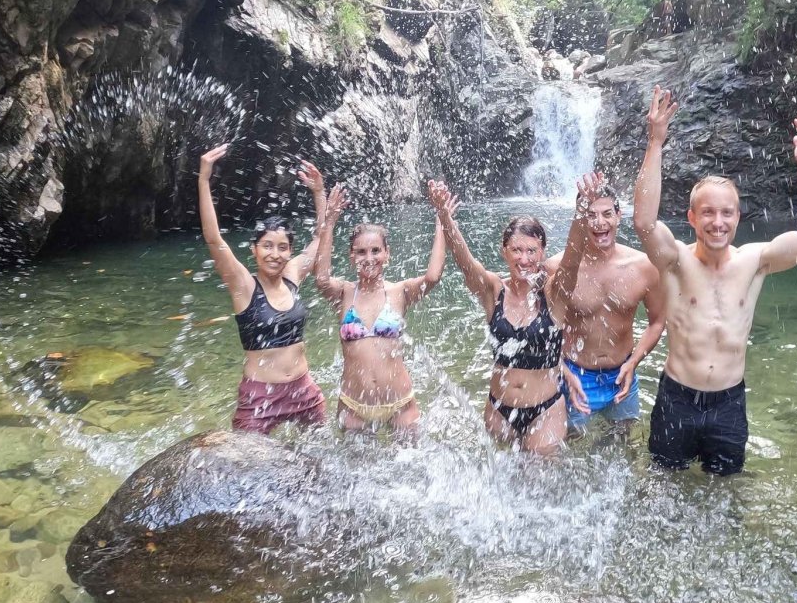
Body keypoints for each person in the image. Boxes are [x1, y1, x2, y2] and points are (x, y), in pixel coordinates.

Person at [631, 87, 797, 475]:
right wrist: (656, 142)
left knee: (725, 494)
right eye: (707, 213)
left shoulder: (755, 261)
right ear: (691, 218)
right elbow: (643, 222)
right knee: (660, 488)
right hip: (677, 399)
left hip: (728, 405)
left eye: (726, 213)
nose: (717, 222)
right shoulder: (674, 262)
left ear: (738, 219)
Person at [428, 179, 586, 456]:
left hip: (545, 410)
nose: (524, 259)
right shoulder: (493, 290)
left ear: (542, 253)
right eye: (516, 250)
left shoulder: (554, 294)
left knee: (538, 488)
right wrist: (444, 216)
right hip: (499, 409)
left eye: (531, 251)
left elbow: (572, 260)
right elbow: (465, 262)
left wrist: (582, 211)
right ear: (504, 252)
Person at [198, 143, 330, 434]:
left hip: (303, 392)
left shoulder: (293, 274)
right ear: (254, 250)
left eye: (283, 248)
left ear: (290, 251)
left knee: (322, 458)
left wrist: (319, 193)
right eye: (267, 246)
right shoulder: (244, 285)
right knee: (246, 466)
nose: (275, 254)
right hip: (260, 395)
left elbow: (320, 240)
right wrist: (204, 179)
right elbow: (213, 239)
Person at [311, 184, 450, 434]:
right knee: (356, 472)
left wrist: (441, 218)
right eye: (361, 252)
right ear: (351, 257)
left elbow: (433, 276)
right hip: (354, 405)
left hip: (400, 404)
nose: (369, 258)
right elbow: (320, 278)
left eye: (376, 250)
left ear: (387, 254)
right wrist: (329, 221)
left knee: (411, 471)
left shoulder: (399, 292)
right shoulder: (344, 293)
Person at [546, 171, 666, 440]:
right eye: (590, 214)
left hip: (622, 374)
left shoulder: (644, 267)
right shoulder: (556, 267)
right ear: (580, 219)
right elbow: (540, 330)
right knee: (569, 452)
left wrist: (634, 362)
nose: (599, 223)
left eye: (606, 213)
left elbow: (657, 320)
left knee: (623, 448)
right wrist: (562, 371)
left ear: (619, 215)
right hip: (574, 375)